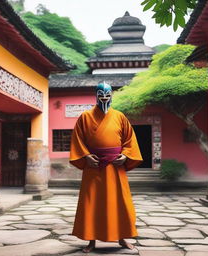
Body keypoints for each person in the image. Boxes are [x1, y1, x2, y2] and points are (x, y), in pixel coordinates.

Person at [69, 82, 142, 253]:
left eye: (107, 94)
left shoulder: (120, 116)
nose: (104, 97)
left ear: (112, 95)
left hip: (115, 167)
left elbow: (129, 140)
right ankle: (91, 240)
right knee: (92, 202)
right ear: (96, 95)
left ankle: (122, 238)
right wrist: (86, 156)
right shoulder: (85, 117)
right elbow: (77, 140)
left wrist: (125, 155)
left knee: (119, 203)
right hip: (94, 167)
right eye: (100, 93)